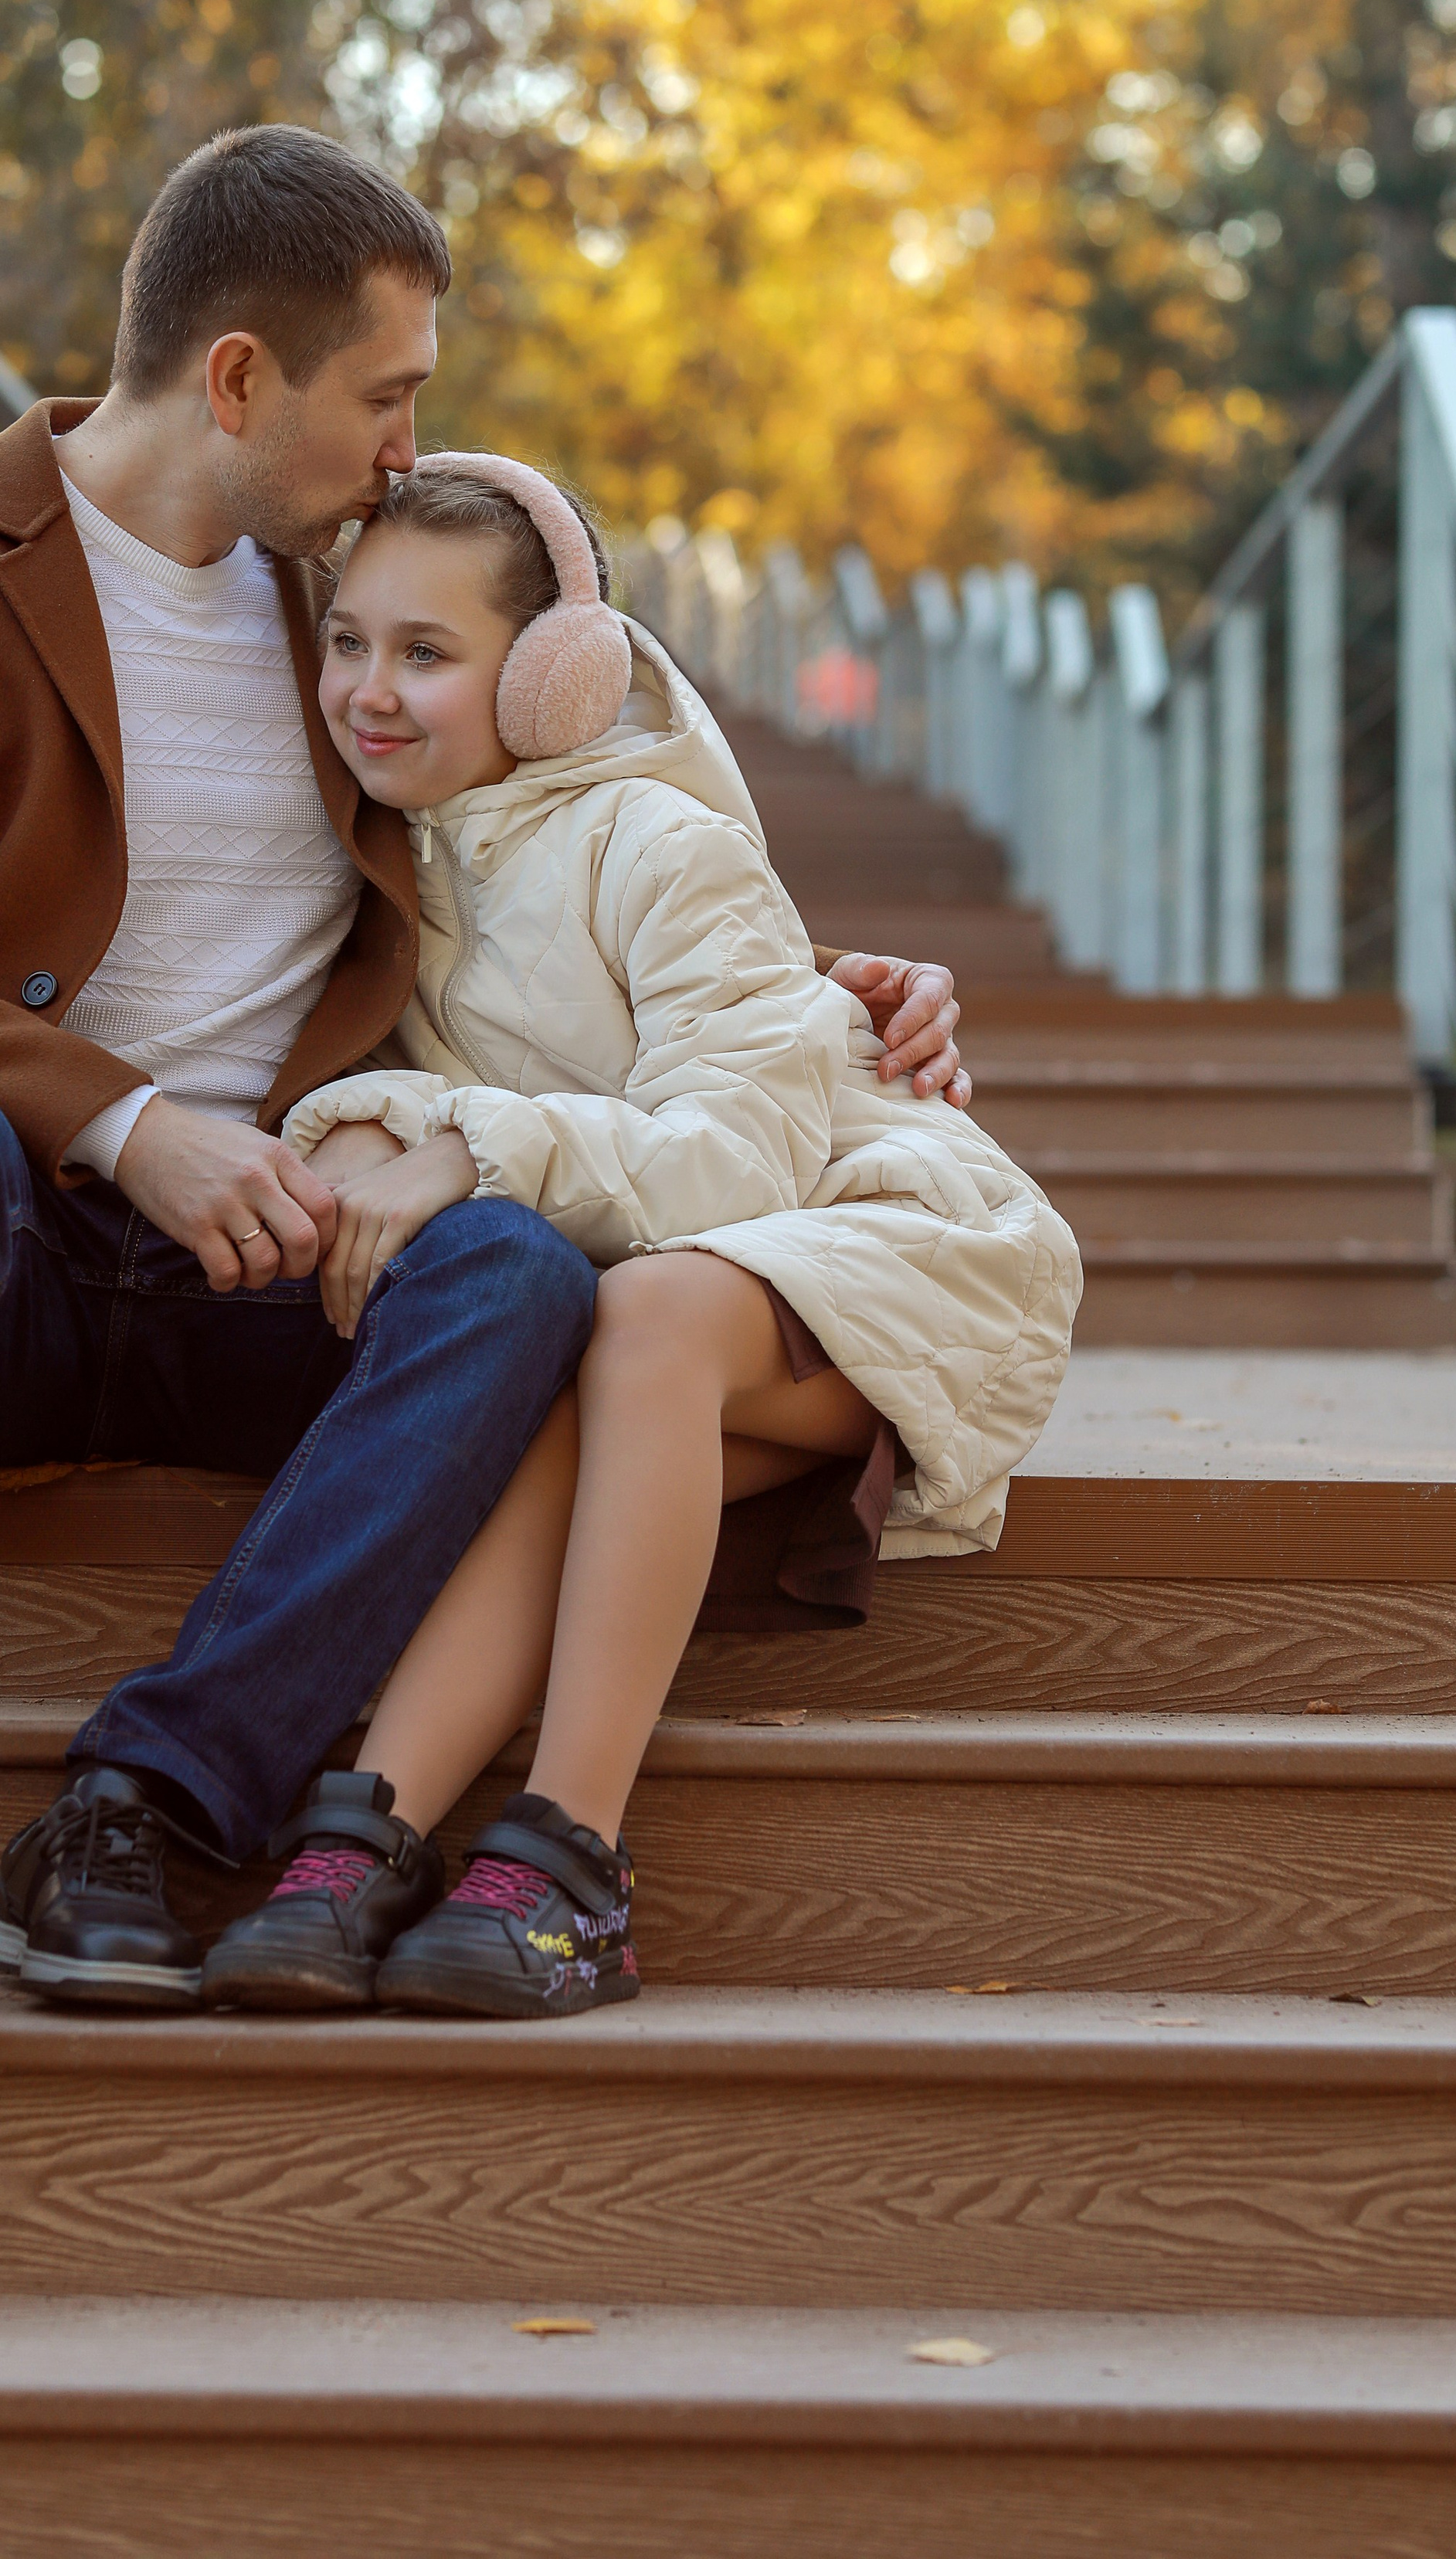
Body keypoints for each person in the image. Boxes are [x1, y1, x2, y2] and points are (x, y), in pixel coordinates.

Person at [0, 124, 970, 2029]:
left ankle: (140, 1806)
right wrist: (133, 1134)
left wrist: (822, 991)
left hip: (276, 1270)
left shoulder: (344, 615)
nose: (406, 451)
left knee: (524, 1272)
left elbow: (530, 858)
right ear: (238, 378)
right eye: (383, 397)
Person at [198, 453, 1080, 2021]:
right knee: (560, 1391)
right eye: (348, 642)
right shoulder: (376, 873)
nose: (368, 692)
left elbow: (730, 1169)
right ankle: (363, 1842)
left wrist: (468, 1145)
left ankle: (570, 1861)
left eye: (426, 653)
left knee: (647, 1315)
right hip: (651, 1324)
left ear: (551, 676)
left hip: (879, 1246)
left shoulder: (657, 846)